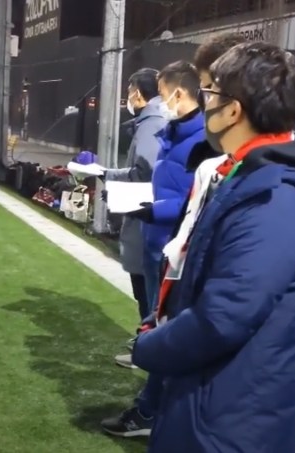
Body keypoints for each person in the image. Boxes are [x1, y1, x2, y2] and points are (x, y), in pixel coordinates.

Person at [132, 41, 295, 452]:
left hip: (232, 419)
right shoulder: (253, 176)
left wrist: (150, 347)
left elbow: (222, 317)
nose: (203, 103)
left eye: (209, 92)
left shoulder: (275, 197)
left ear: (233, 111)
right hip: (218, 403)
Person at [101, 60, 205, 438]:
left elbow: (193, 204)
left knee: (167, 332)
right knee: (157, 325)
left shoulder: (203, 140)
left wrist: (148, 210)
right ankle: (151, 408)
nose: (159, 103)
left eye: (162, 95)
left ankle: (150, 412)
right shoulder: (174, 133)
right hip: (159, 243)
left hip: (174, 251)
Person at [102, 68, 168, 363]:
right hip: (154, 224)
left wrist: (113, 183)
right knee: (151, 293)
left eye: (129, 91)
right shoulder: (157, 121)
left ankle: (147, 348)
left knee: (148, 294)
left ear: (138, 94)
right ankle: (147, 344)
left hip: (149, 226)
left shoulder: (152, 123)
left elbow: (146, 175)